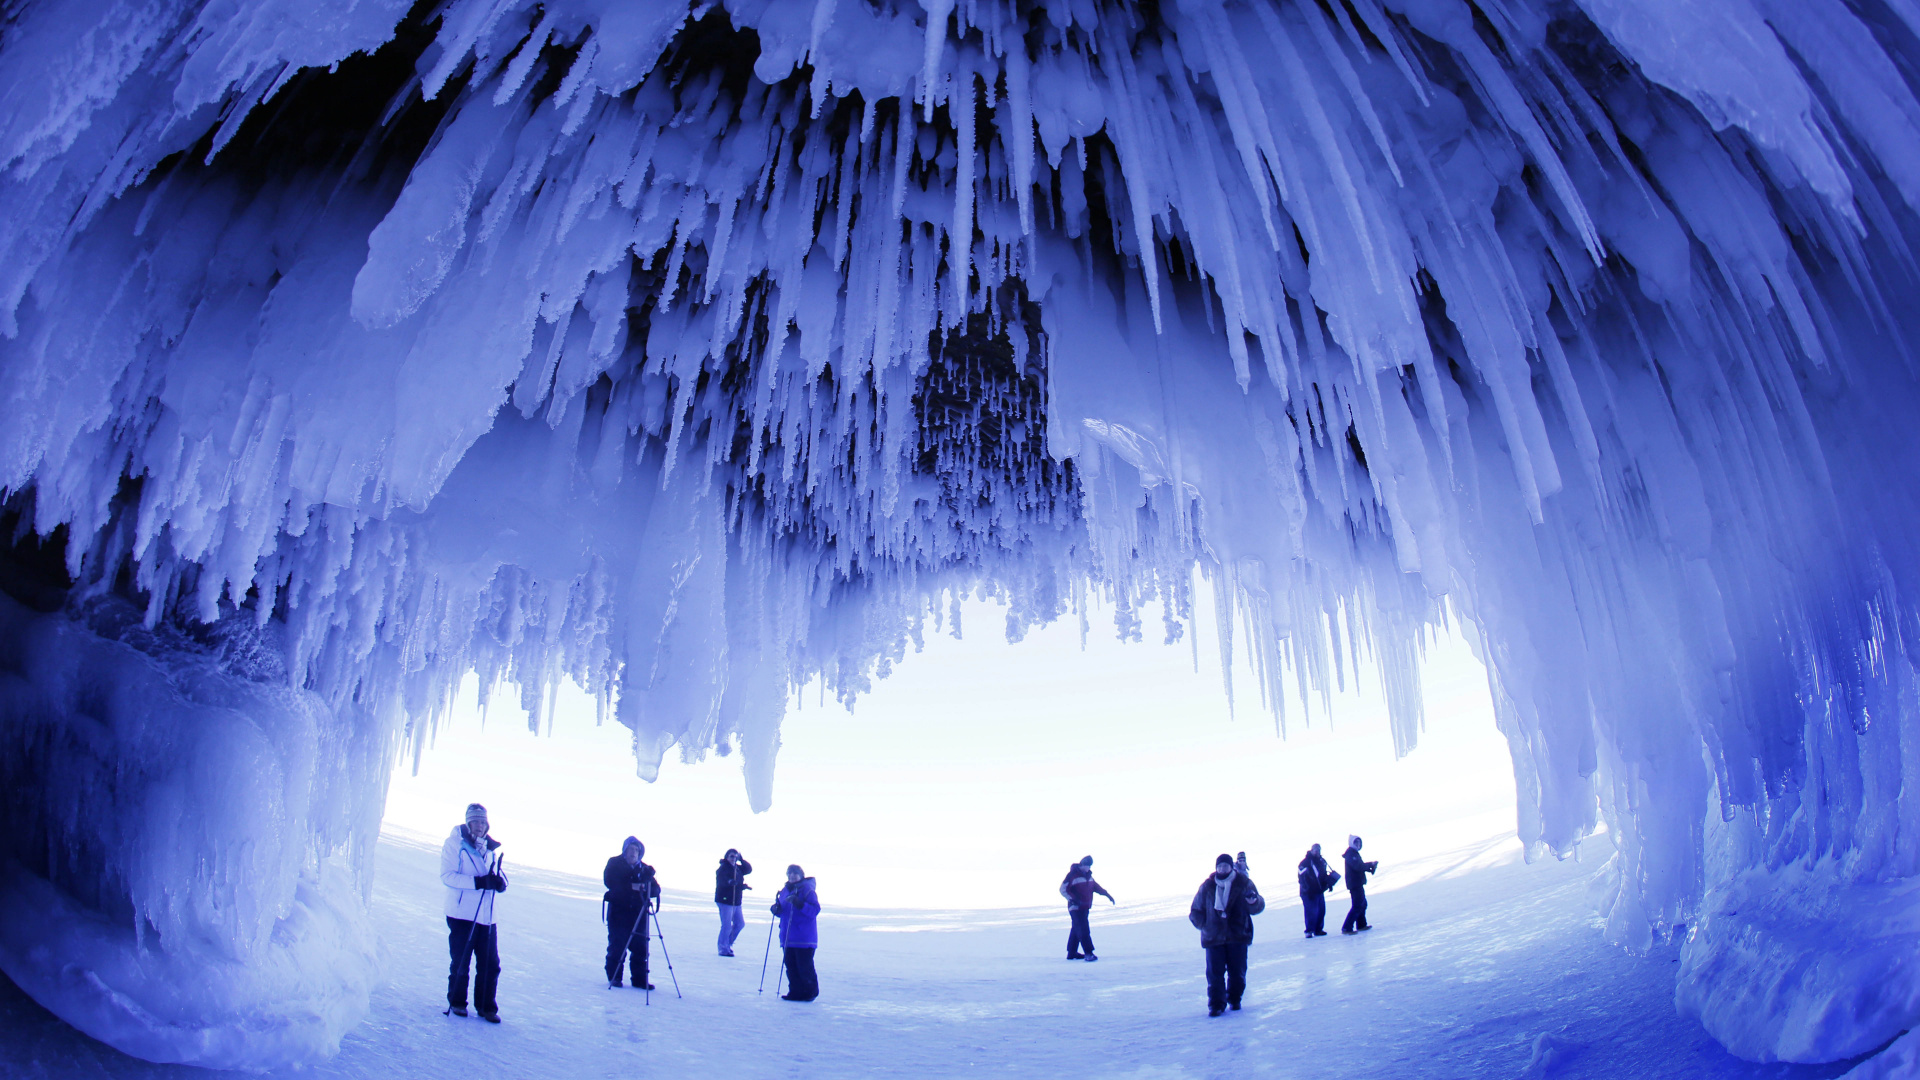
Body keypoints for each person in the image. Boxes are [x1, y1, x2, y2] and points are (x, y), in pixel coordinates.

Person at [441, 802, 507, 1022]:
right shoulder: (454, 844)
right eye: (476, 821)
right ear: (468, 822)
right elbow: (447, 876)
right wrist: (478, 882)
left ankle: (487, 1007)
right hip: (461, 913)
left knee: (491, 963)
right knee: (461, 961)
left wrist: (499, 883)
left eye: (483, 822)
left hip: (487, 916)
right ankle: (457, 1002)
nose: (479, 826)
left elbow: (494, 875)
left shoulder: (489, 848)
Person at [1188, 852, 1265, 1017]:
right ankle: (1216, 1005)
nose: (1222, 869)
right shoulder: (1207, 886)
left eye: (1226, 866)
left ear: (1232, 867)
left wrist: (1253, 902)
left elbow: (1257, 907)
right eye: (1220, 866)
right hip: (1213, 938)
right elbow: (1195, 910)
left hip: (1237, 935)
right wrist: (1205, 926)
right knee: (1214, 974)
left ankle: (1235, 999)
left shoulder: (1243, 883)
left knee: (1237, 972)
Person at [603, 836, 660, 989]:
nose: (633, 853)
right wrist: (632, 886)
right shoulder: (614, 863)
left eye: (636, 850)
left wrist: (643, 886)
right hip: (618, 913)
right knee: (617, 946)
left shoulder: (644, 868)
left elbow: (656, 889)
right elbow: (610, 882)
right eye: (630, 849)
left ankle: (640, 980)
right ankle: (614, 977)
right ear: (624, 850)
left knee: (641, 948)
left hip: (639, 915)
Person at [771, 865, 821, 1002]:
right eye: (790, 873)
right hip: (788, 936)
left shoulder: (807, 890)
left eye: (795, 873)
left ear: (801, 875)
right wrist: (776, 910)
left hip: (804, 937)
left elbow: (814, 911)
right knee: (791, 966)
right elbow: (784, 912)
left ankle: (810, 992)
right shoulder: (785, 890)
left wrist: (799, 904)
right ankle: (795, 991)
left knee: (804, 967)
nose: (792, 876)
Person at [1058, 856, 1115, 961]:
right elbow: (1063, 889)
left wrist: (1107, 895)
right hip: (1075, 907)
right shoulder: (1072, 875)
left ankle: (1072, 953)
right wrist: (1073, 899)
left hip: (1085, 907)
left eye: (1089, 866)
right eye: (1086, 866)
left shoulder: (1089, 876)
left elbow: (1096, 887)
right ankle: (1089, 953)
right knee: (1083, 929)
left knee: (1076, 929)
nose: (1088, 868)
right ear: (1082, 865)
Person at [714, 849, 753, 956]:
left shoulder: (737, 868)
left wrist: (742, 859)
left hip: (736, 901)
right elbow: (723, 881)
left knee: (740, 923)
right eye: (731, 856)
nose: (733, 859)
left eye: (736, 857)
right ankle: (723, 947)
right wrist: (730, 882)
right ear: (726, 857)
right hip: (725, 900)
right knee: (726, 925)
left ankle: (728, 943)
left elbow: (748, 869)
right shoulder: (723, 868)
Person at [1340, 835, 1379, 934]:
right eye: (1356, 843)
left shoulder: (1354, 854)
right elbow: (1358, 866)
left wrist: (1370, 866)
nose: (1358, 845)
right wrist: (1370, 865)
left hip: (1357, 883)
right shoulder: (1350, 854)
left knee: (1362, 904)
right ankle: (1346, 927)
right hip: (1355, 884)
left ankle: (1361, 924)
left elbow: (1359, 866)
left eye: (1359, 843)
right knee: (1357, 905)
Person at [1298, 843, 1335, 938]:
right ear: (1311, 850)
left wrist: (1328, 884)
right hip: (1308, 892)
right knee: (1311, 911)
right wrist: (1307, 889)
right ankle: (1309, 931)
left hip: (1319, 891)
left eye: (1318, 850)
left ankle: (1318, 929)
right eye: (1315, 850)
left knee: (1321, 910)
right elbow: (1301, 878)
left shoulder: (1321, 861)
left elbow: (1323, 876)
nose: (1317, 852)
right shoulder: (1305, 863)